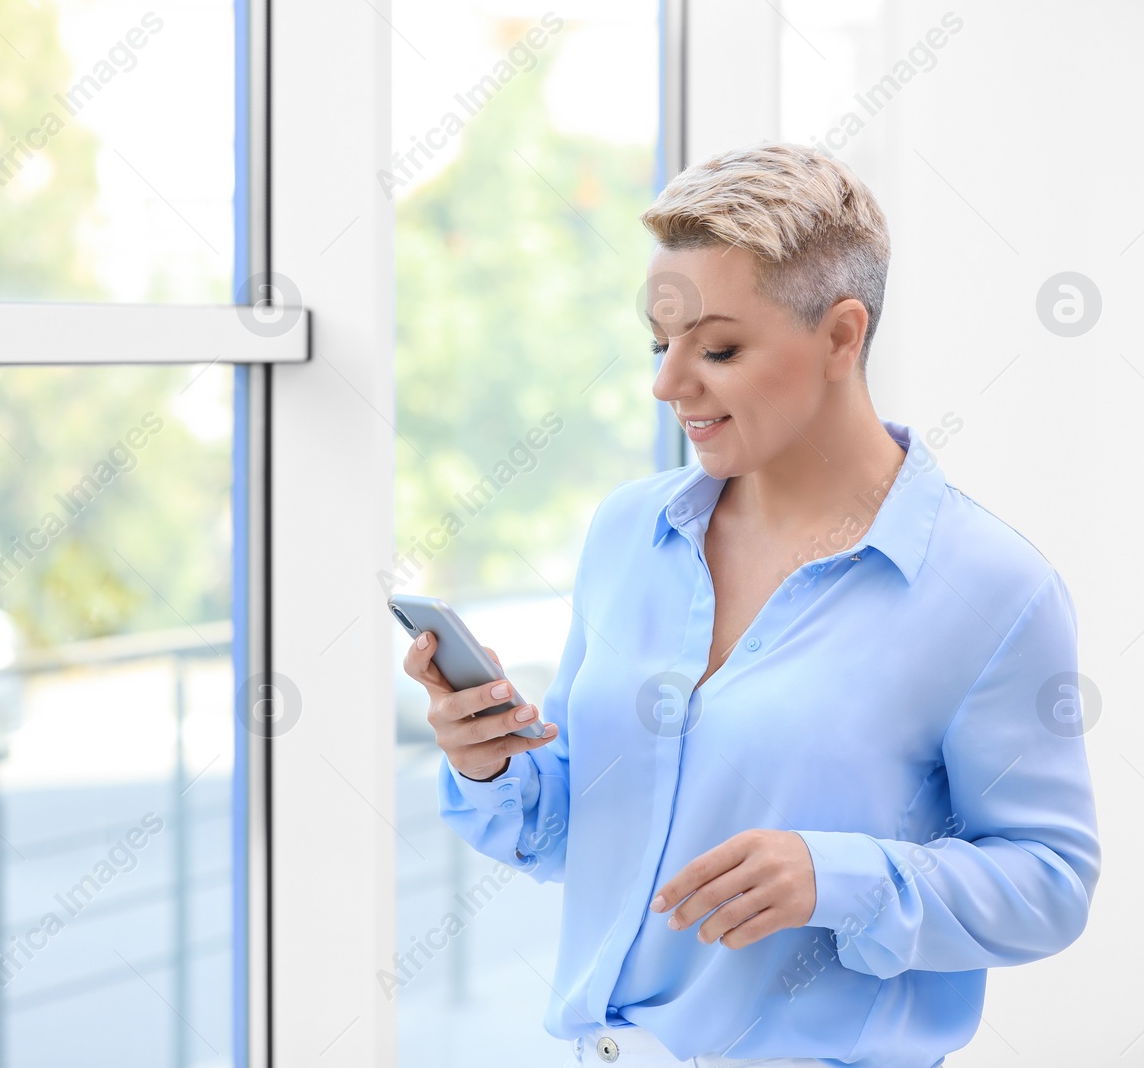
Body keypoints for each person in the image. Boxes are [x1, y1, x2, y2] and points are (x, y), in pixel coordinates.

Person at [402, 144, 1101, 1067]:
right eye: (662, 345)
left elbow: (1050, 882)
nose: (667, 384)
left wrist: (838, 876)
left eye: (718, 348)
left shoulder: (990, 590)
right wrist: (490, 764)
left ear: (842, 337)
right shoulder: (628, 534)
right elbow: (573, 830)